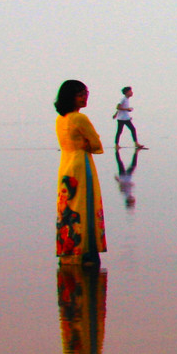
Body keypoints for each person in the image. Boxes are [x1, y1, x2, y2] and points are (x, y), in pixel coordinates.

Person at [54, 79, 107, 264]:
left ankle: (69, 251)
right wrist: (88, 145)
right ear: (71, 97)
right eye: (80, 94)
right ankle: (86, 250)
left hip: (65, 165)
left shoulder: (60, 119)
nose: (84, 97)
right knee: (85, 206)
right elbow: (96, 144)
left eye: (85, 93)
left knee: (68, 206)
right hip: (81, 164)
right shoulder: (79, 118)